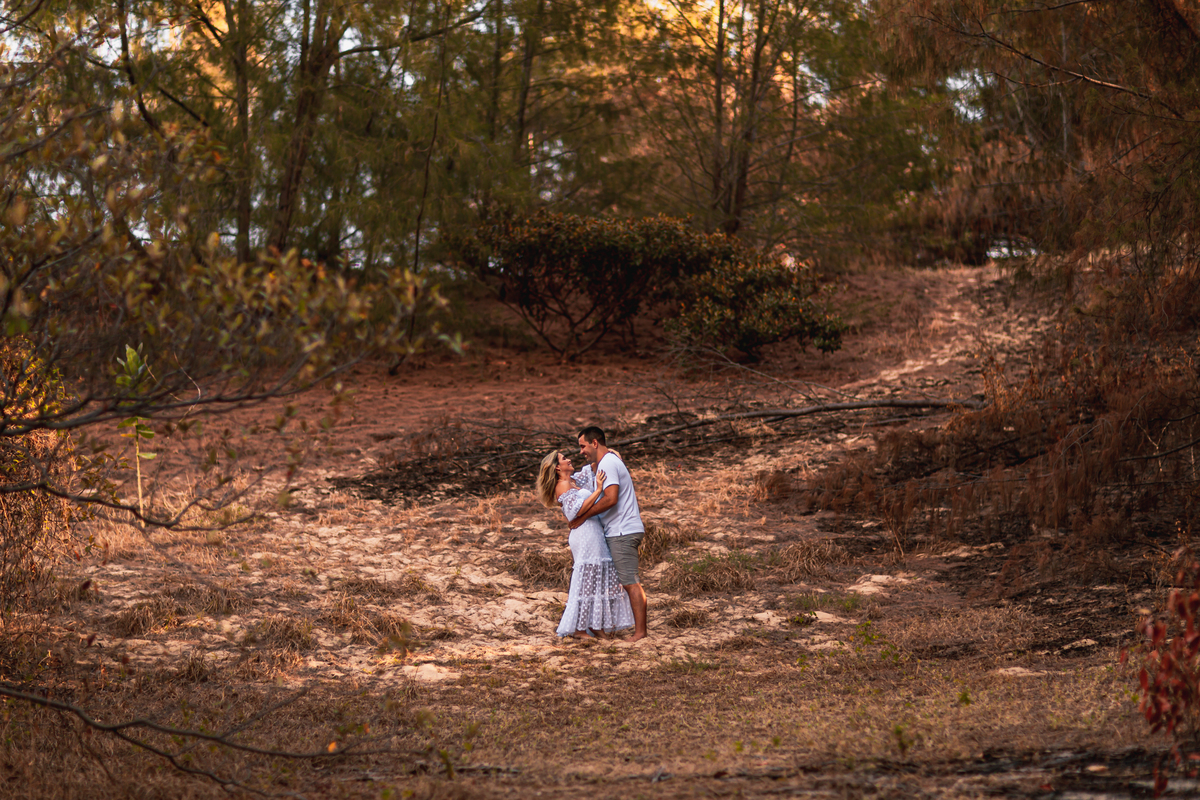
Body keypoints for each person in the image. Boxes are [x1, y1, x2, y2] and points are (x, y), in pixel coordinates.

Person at [535, 451, 634, 639]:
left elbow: (594, 467)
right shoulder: (562, 485)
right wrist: (598, 490)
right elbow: (576, 512)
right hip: (584, 535)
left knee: (597, 579)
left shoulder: (574, 480)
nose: (569, 459)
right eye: (564, 459)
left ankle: (596, 625)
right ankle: (580, 629)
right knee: (588, 580)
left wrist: (608, 452)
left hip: (594, 532)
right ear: (557, 467)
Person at [569, 426, 649, 642]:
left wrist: (584, 516)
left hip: (623, 531)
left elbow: (611, 498)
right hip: (621, 529)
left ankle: (640, 633)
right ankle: (600, 626)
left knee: (630, 582)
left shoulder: (608, 463)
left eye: (583, 446)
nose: (581, 451)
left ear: (595, 443)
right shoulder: (606, 462)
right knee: (624, 581)